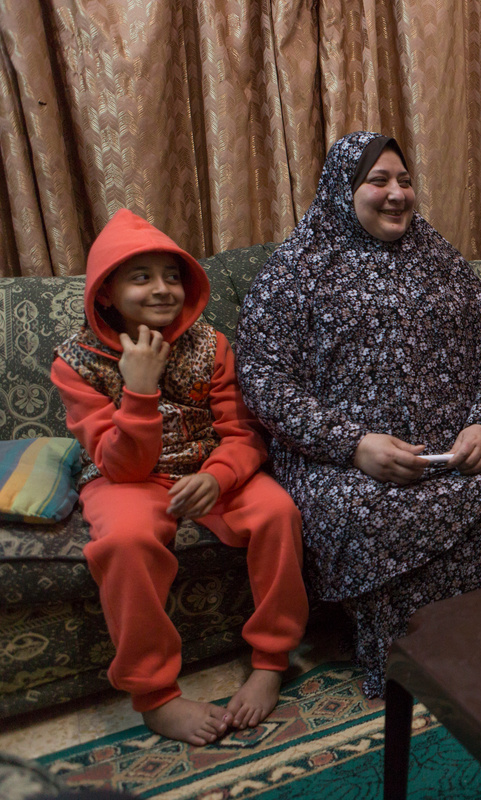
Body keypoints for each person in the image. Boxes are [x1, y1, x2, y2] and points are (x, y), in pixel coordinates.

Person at [235, 131, 481, 697]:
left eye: (404, 180)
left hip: (451, 446)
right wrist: (354, 444)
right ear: (341, 190)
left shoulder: (437, 254)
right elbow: (261, 378)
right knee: (370, 511)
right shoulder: (296, 269)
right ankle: (404, 663)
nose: (397, 193)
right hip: (342, 461)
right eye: (378, 181)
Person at [51, 209, 308, 745]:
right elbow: (122, 464)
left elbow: (243, 434)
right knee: (124, 540)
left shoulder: (210, 346)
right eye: (140, 277)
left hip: (205, 468)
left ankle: (271, 659)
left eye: (171, 276)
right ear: (105, 293)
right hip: (124, 479)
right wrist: (139, 389)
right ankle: (155, 696)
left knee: (278, 512)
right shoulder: (75, 362)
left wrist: (218, 477)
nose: (162, 289)